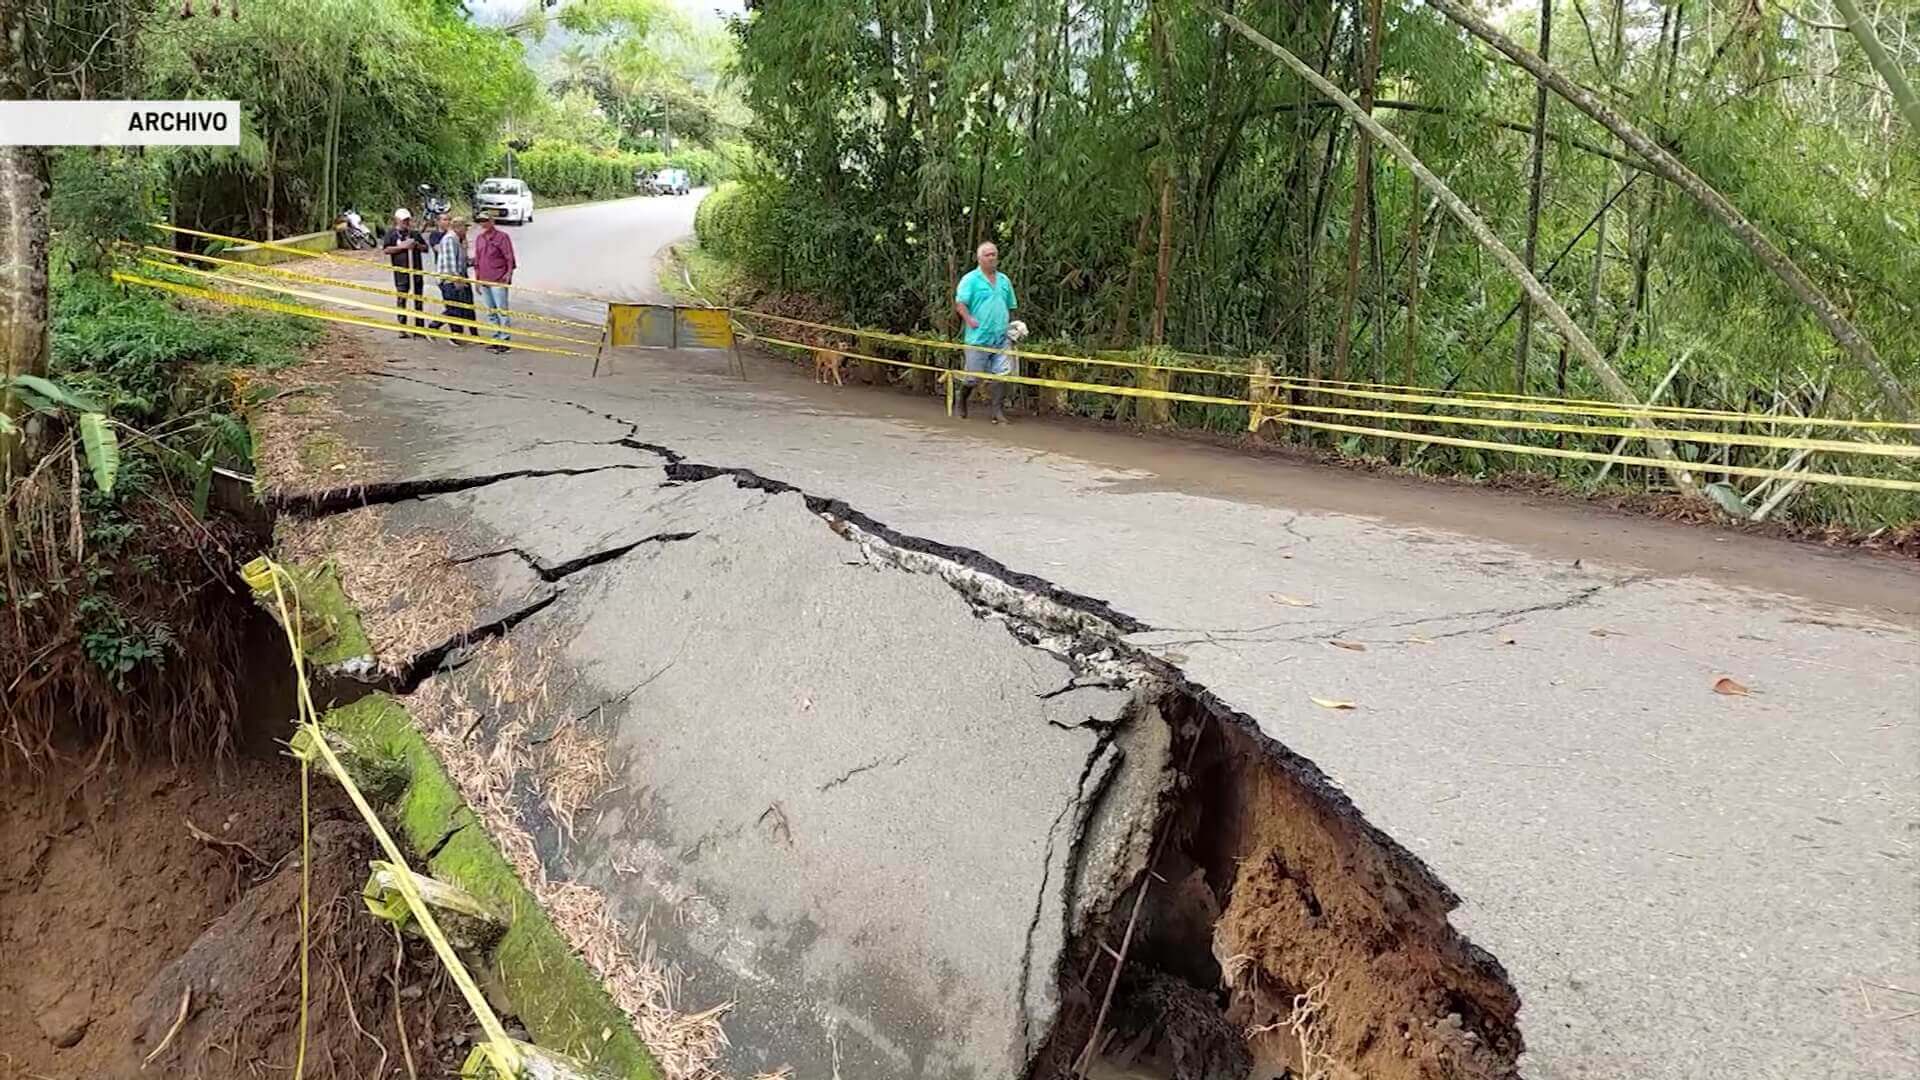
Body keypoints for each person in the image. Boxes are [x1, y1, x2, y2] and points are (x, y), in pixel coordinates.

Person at [952, 240, 1017, 423]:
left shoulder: (1004, 280)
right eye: (987, 255)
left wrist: (1013, 325)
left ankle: (997, 412)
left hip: (1001, 336)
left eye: (994, 254)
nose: (991, 258)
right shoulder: (970, 279)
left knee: (1002, 374)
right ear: (979, 258)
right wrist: (969, 319)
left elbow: (1010, 305)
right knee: (973, 377)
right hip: (978, 337)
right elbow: (960, 304)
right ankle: (961, 400)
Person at [472, 210, 517, 354]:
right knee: (491, 311)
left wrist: (508, 274)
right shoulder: (480, 238)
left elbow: (509, 257)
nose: (483, 224)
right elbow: (477, 260)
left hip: (498, 278)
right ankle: (496, 337)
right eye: (481, 221)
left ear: (492, 221)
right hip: (484, 278)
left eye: (485, 221)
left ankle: (504, 339)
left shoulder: (502, 237)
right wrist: (477, 279)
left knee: (501, 310)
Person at [381, 208, 429, 338]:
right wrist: (402, 246)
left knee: (418, 299)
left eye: (408, 220)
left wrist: (416, 245)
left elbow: (425, 248)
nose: (406, 223)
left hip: (416, 271)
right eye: (403, 220)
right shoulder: (391, 234)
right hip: (401, 272)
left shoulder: (414, 233)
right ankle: (402, 327)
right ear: (397, 220)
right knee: (402, 299)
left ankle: (419, 328)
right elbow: (386, 249)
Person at [434, 217, 479, 345]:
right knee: (454, 309)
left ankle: (471, 334)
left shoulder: (459, 241)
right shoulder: (450, 239)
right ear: (458, 228)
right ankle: (439, 328)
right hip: (450, 280)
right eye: (465, 227)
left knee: (466, 307)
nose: (466, 230)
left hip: (460, 277)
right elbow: (450, 263)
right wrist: (456, 280)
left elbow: (461, 262)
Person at [422, 212, 453, 331]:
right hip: (443, 273)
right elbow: (439, 250)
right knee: (451, 305)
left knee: (461, 304)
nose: (447, 222)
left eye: (449, 219)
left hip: (456, 271)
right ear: (438, 222)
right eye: (444, 220)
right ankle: (436, 325)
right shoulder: (435, 235)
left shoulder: (453, 234)